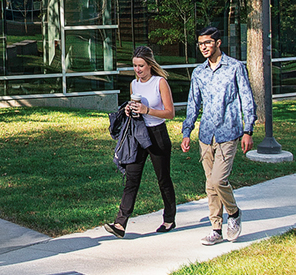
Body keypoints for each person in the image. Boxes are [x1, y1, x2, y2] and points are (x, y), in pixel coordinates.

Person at [179, 27, 255, 246]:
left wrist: (248, 130)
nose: (203, 47)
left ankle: (233, 213)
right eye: (200, 43)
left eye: (208, 43)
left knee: (218, 180)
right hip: (206, 135)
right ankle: (216, 228)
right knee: (210, 186)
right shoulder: (199, 72)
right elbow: (193, 103)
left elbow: (247, 98)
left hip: (228, 132)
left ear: (218, 43)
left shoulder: (235, 68)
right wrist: (187, 131)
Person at [105, 46, 177, 238]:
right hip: (138, 133)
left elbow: (170, 113)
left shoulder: (159, 83)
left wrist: (148, 111)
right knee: (132, 178)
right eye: (135, 66)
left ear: (150, 65)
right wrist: (130, 110)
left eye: (141, 66)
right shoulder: (133, 84)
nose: (138, 69)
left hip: (157, 134)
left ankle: (169, 219)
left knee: (163, 179)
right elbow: (134, 106)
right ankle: (120, 224)